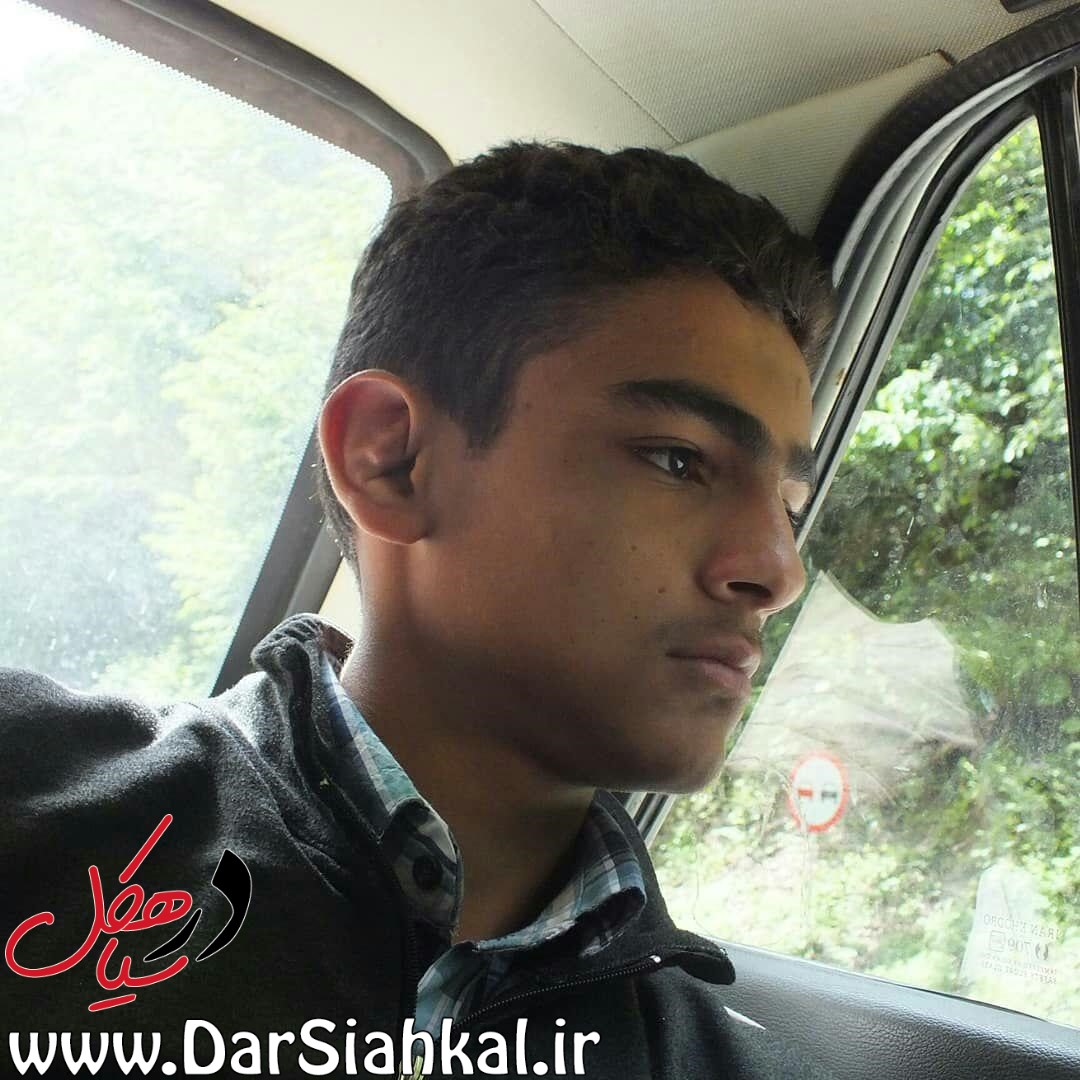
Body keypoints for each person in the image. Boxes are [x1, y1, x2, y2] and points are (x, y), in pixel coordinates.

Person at [1, 141, 835, 1078]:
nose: (779, 570)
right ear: (389, 462)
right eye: (678, 460)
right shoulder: (31, 805)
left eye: (789, 506)